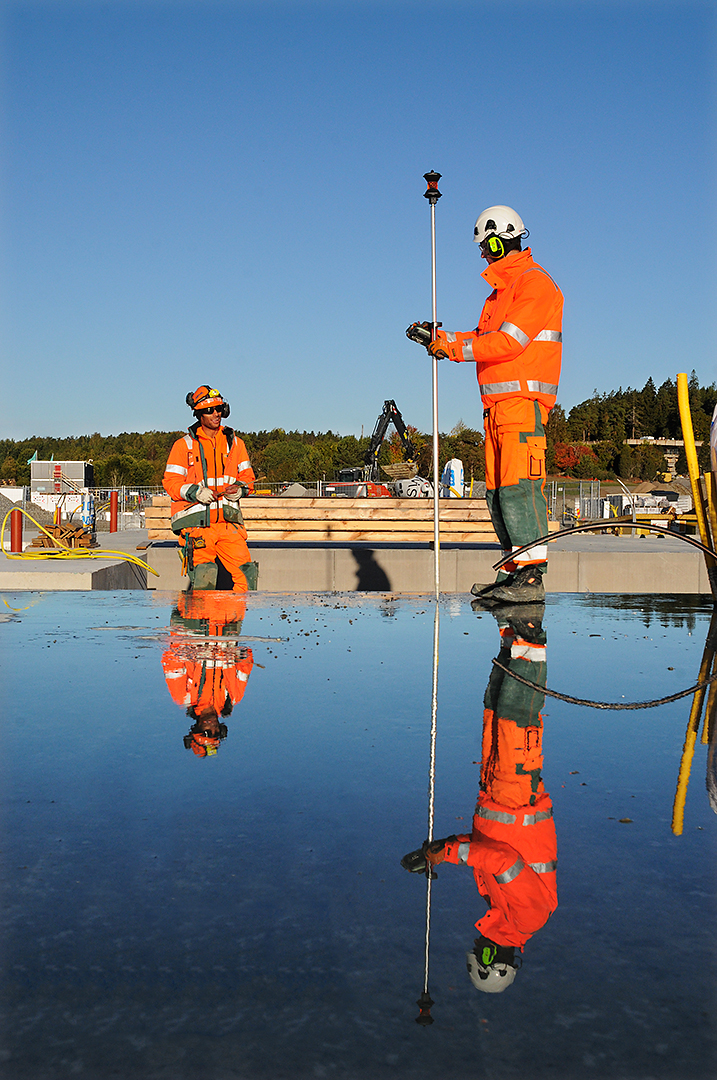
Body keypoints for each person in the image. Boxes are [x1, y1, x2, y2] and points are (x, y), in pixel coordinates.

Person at [407, 206, 563, 604]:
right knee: (496, 494)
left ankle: (531, 578)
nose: (484, 255)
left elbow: (509, 343)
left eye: (487, 246)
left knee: (519, 490)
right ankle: (513, 572)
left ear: (501, 239)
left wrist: (456, 349)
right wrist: (441, 340)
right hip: (497, 410)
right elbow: (481, 335)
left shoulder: (534, 284)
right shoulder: (500, 295)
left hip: (521, 405)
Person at [402, 603, 557, 993]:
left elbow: (483, 849)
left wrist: (442, 848)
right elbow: (502, 858)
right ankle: (530, 626)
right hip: (515, 795)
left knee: (493, 706)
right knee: (515, 714)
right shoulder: (528, 919)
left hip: (494, 792)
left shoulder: (498, 911)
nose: (476, 944)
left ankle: (510, 627)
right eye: (478, 952)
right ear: (489, 961)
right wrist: (447, 855)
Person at [163, 385, 256, 591]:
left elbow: (248, 478)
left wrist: (241, 489)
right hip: (197, 527)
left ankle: (233, 622)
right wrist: (195, 492)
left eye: (219, 409)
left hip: (229, 525)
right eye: (209, 410)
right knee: (204, 581)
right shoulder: (183, 446)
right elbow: (171, 483)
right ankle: (204, 622)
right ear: (199, 414)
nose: (216, 414)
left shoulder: (235, 444)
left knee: (247, 576)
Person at [162, 591, 254, 757]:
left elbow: (171, 657)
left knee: (205, 574)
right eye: (215, 732)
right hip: (228, 621)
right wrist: (241, 655)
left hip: (197, 620)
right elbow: (245, 665)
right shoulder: (232, 698)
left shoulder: (183, 697)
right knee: (238, 579)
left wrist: (192, 641)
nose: (211, 728)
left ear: (196, 728)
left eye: (206, 732)